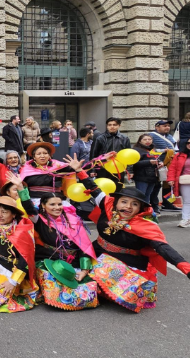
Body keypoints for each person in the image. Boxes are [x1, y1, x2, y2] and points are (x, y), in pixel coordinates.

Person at [81, 179, 190, 312]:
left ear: (140, 209)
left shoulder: (145, 227)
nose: (128, 207)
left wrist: (186, 268)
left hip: (126, 262)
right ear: (116, 203)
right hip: (98, 251)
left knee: (104, 271)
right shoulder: (108, 207)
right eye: (124, 201)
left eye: (134, 204)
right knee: (75, 270)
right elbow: (94, 189)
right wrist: (79, 170)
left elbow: (164, 249)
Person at [11, 173, 99, 311]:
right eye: (52, 204)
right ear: (43, 206)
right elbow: (28, 207)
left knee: (88, 288)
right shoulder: (39, 219)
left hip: (72, 262)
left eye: (59, 204)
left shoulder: (73, 221)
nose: (57, 207)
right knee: (56, 286)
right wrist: (21, 188)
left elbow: (84, 247)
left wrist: (84, 269)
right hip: (48, 260)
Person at [20, 142, 84, 202]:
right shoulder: (26, 169)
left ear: (49, 155)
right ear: (34, 157)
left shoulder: (59, 166)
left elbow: (76, 171)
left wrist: (76, 168)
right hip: (33, 200)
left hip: (56, 200)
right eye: (39, 154)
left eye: (45, 153)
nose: (42, 156)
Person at [90, 117, 131, 188]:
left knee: (118, 189)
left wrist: (130, 170)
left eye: (114, 125)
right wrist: (93, 169)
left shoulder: (124, 138)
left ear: (119, 126)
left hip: (118, 168)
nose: (112, 127)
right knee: (103, 189)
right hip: (103, 168)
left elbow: (128, 155)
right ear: (107, 126)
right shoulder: (100, 138)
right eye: (110, 125)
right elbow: (94, 154)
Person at [149, 120, 178, 212]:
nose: (167, 127)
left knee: (169, 185)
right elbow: (149, 150)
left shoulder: (170, 137)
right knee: (156, 186)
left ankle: (168, 203)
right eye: (164, 126)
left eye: (168, 126)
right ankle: (153, 204)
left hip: (170, 164)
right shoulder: (151, 136)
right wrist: (162, 150)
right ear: (157, 127)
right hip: (157, 165)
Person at [132, 134, 160, 215]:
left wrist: (160, 163)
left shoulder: (153, 150)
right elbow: (135, 163)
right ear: (140, 141)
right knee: (141, 195)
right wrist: (149, 162)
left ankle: (145, 211)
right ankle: (139, 211)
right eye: (145, 139)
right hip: (141, 176)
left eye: (149, 139)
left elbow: (157, 159)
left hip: (152, 176)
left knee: (148, 195)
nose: (147, 141)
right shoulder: (137, 150)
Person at [168, 139, 190, 227]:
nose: (189, 144)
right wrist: (170, 179)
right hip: (184, 181)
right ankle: (185, 219)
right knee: (187, 201)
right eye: (188, 143)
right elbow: (172, 168)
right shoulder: (179, 155)